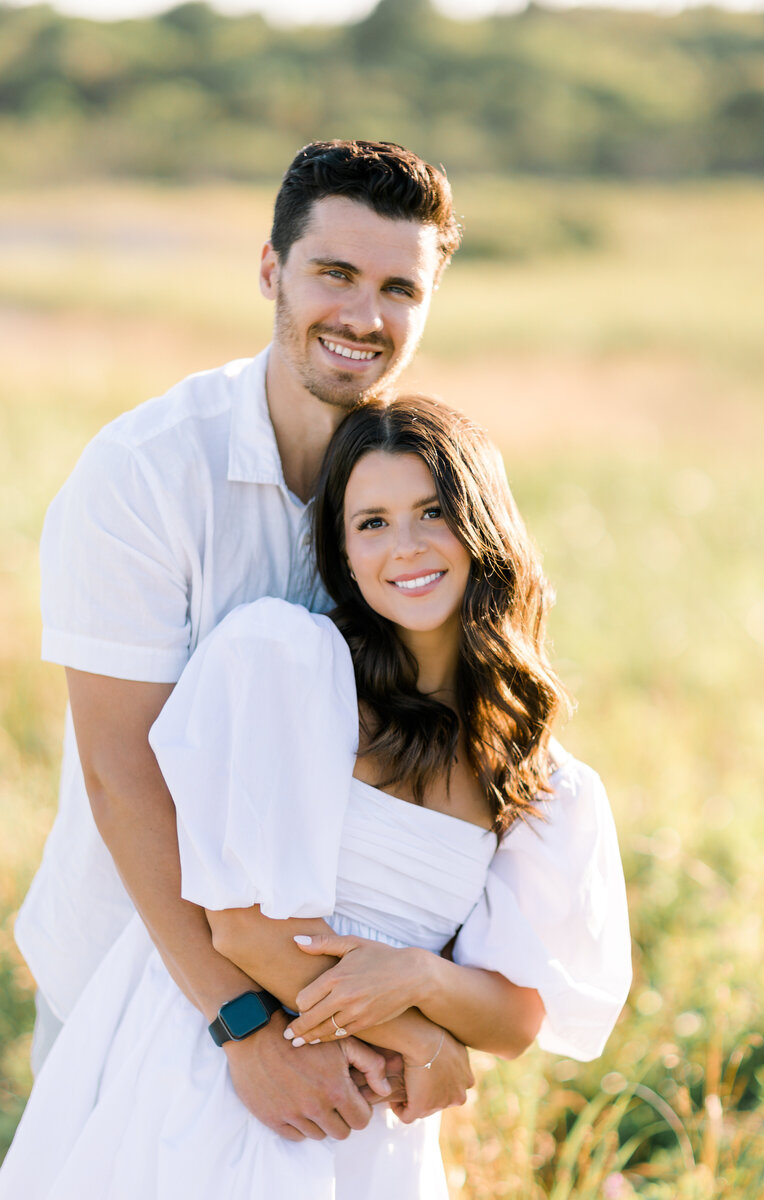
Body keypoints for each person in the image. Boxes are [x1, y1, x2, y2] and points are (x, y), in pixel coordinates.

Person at [0, 396, 631, 1199]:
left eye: (431, 512)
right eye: (371, 523)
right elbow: (250, 929)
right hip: (214, 1077)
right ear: (341, 548)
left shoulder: (538, 775)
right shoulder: (292, 663)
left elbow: (517, 1020)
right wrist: (419, 1040)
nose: (404, 548)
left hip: (370, 1129)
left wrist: (416, 978)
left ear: (483, 525)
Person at [15, 138, 471, 1139]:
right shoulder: (145, 472)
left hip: (343, 993)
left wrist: (427, 1014)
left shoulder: (421, 485)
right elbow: (120, 769)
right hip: (136, 965)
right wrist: (243, 1022)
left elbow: (457, 729)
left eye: (399, 287)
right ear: (271, 270)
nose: (363, 316)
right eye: (334, 274)